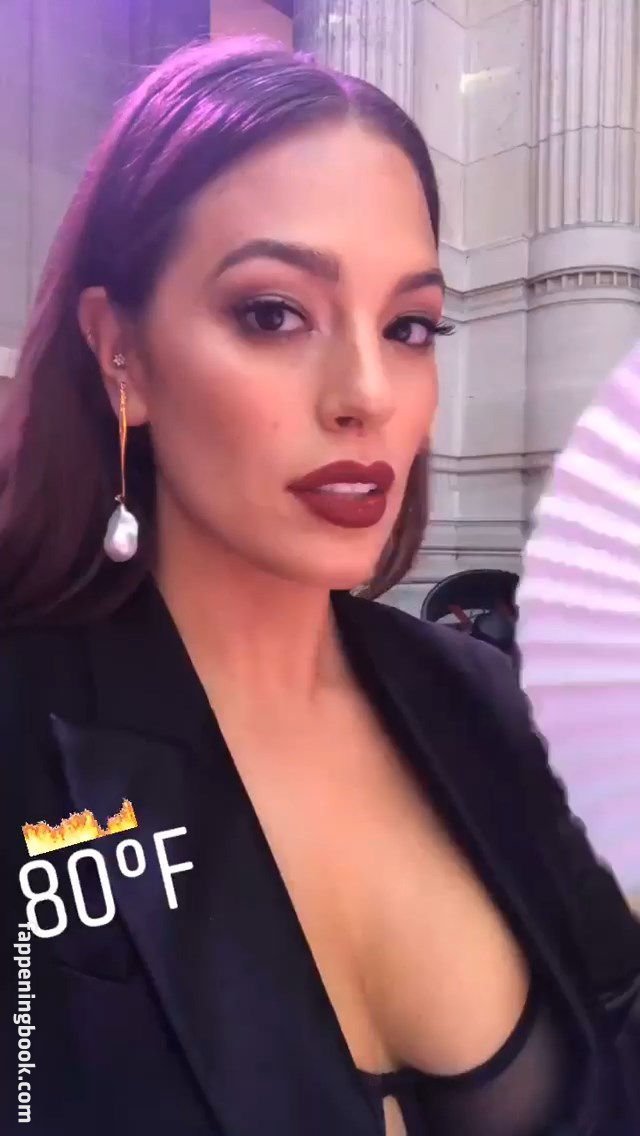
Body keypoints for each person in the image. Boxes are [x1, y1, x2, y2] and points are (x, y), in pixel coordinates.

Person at [0, 38, 638, 1136]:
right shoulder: (22, 724)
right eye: (272, 312)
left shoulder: (494, 703)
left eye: (409, 326)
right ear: (120, 354)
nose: (367, 394)